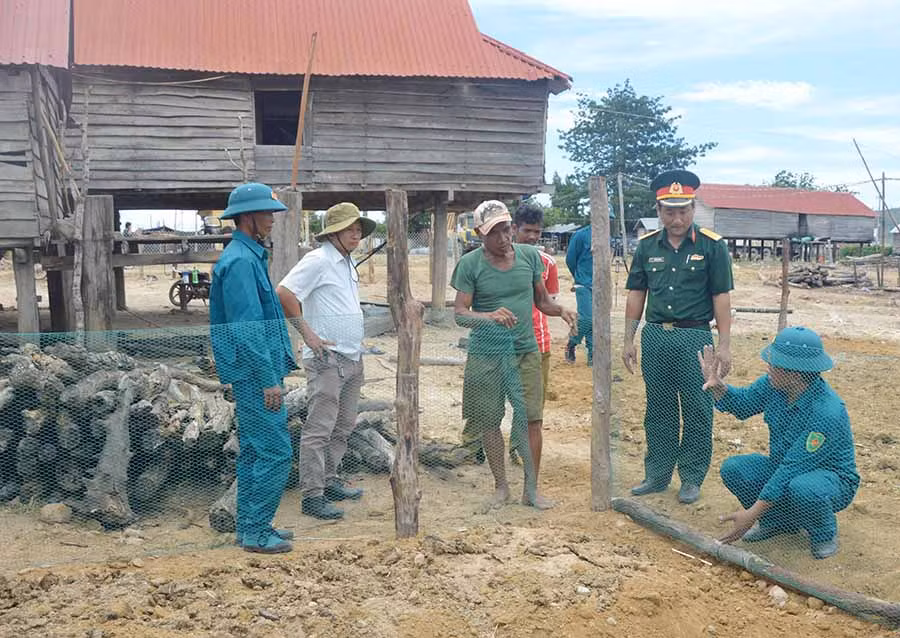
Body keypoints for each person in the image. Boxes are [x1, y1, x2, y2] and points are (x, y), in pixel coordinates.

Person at [452, 200, 577, 510]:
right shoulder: (470, 265)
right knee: (489, 421)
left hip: (525, 351)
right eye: (495, 232)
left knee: (532, 420)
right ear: (481, 235)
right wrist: (490, 316)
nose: (504, 238)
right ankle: (500, 487)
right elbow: (460, 314)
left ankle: (531, 491)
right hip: (486, 354)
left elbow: (543, 302)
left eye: (507, 229)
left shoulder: (529, 257)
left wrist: (560, 310)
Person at [699, 326, 859, 559]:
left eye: (775, 363)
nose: (769, 367)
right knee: (735, 469)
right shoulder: (773, 385)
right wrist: (719, 388)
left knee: (803, 487)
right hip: (786, 468)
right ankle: (776, 522)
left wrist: (751, 514)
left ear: (795, 373)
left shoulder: (827, 411)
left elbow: (793, 468)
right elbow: (744, 404)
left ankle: (823, 533)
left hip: (829, 481)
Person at [623, 169, 733, 505]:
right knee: (658, 408)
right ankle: (657, 475)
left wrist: (724, 345)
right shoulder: (645, 248)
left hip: (695, 338)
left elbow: (722, 297)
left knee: (698, 408)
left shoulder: (713, 247)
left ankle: (691, 478)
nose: (677, 218)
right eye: (669, 211)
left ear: (693, 208)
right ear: (658, 211)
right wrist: (629, 339)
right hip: (656, 337)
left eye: (683, 210)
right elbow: (636, 294)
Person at [209, 182, 297, 554]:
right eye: (267, 214)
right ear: (248, 218)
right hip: (254, 376)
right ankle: (257, 532)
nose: (272, 220)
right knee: (276, 451)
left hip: (252, 373)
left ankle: (250, 526)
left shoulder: (246, 256)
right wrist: (268, 380)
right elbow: (247, 329)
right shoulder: (242, 262)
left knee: (254, 452)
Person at [276, 202, 375, 520]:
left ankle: (329, 480)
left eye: (359, 228)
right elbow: (285, 292)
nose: (356, 233)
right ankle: (312, 495)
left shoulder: (346, 262)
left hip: (351, 354)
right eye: (350, 228)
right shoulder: (318, 260)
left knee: (343, 425)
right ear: (333, 232)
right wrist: (308, 334)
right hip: (326, 358)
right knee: (319, 427)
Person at [508, 201, 559, 466]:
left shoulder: (548, 263)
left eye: (537, 232)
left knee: (532, 405)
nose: (531, 236)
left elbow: (548, 301)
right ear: (514, 228)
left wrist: (563, 312)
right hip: (505, 344)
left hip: (538, 343)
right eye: (527, 230)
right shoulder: (498, 258)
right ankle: (474, 446)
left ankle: (520, 447)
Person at [565, 224, 592, 365]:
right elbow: (570, 259)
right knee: (587, 318)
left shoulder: (607, 236)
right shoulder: (581, 235)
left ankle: (594, 356)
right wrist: (579, 275)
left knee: (597, 321)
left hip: (601, 285)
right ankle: (572, 343)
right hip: (583, 283)